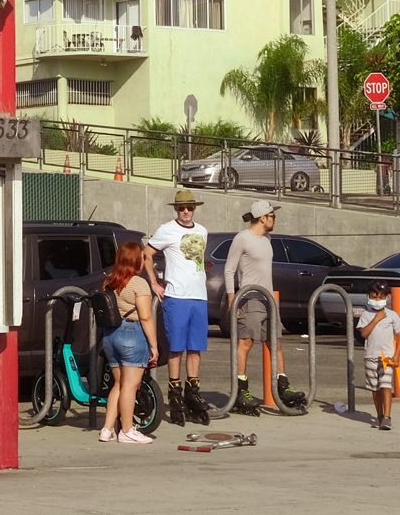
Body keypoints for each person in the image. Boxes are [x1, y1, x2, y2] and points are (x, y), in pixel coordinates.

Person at [224, 199, 307, 413]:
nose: (274, 219)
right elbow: (229, 270)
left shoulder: (267, 238)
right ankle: (241, 390)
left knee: (276, 343)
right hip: (250, 299)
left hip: (269, 300)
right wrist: (232, 297)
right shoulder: (242, 238)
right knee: (246, 343)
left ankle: (282, 386)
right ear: (263, 217)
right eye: (272, 216)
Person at [145, 188, 211, 426]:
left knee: (195, 348)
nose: (186, 211)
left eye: (190, 208)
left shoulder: (202, 231)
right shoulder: (167, 230)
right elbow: (147, 253)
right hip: (176, 297)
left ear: (195, 208)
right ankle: (175, 392)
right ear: (175, 209)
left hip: (199, 297)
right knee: (176, 347)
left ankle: (193, 391)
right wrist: (154, 282)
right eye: (182, 208)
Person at [99, 240, 158, 443]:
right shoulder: (138, 283)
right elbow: (146, 317)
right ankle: (126, 430)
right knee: (130, 386)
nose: (144, 259)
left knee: (118, 384)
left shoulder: (110, 281)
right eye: (142, 257)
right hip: (132, 334)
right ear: (135, 260)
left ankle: (107, 429)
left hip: (110, 335)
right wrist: (154, 345)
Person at [357, 281, 400, 431]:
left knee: (385, 385)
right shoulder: (366, 314)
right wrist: (376, 319)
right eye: (374, 297)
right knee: (375, 388)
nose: (378, 300)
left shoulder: (392, 315)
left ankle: (387, 416)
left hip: (387, 358)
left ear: (387, 297)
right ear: (369, 297)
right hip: (371, 356)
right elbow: (364, 333)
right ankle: (379, 415)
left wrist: (397, 355)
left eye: (381, 297)